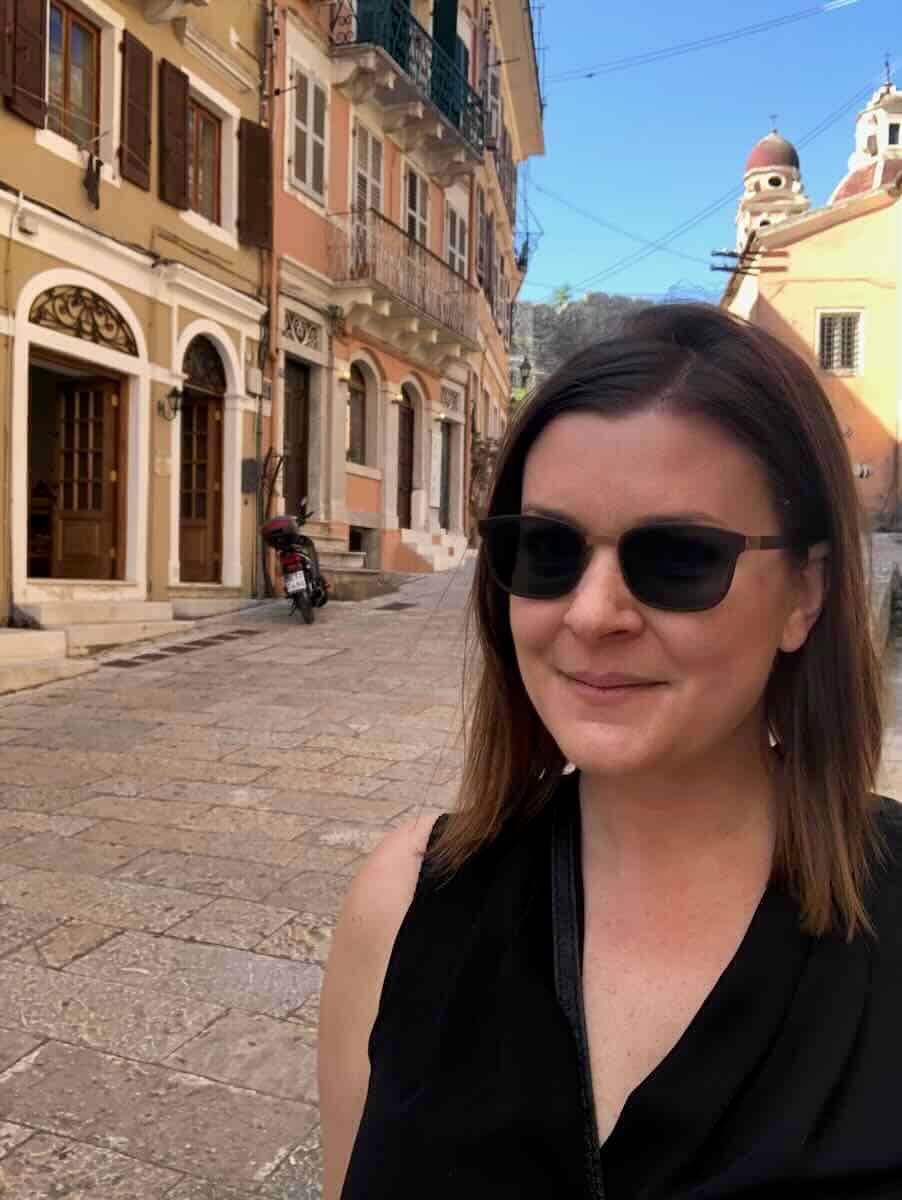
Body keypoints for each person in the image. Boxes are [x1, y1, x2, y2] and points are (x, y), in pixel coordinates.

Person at [318, 303, 902, 1199]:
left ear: (805, 593)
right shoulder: (401, 904)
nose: (593, 614)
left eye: (675, 558)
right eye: (546, 550)